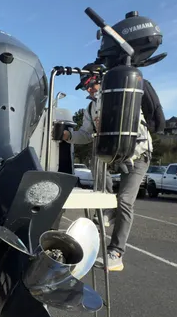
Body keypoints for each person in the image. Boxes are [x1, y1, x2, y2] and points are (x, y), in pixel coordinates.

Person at [61, 63, 153, 271]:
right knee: (96, 159)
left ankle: (116, 253)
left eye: (90, 84)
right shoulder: (91, 108)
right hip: (115, 154)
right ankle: (107, 210)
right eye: (85, 86)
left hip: (138, 154)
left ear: (100, 79)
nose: (88, 89)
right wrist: (67, 137)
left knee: (125, 201)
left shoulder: (122, 96)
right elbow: (85, 135)